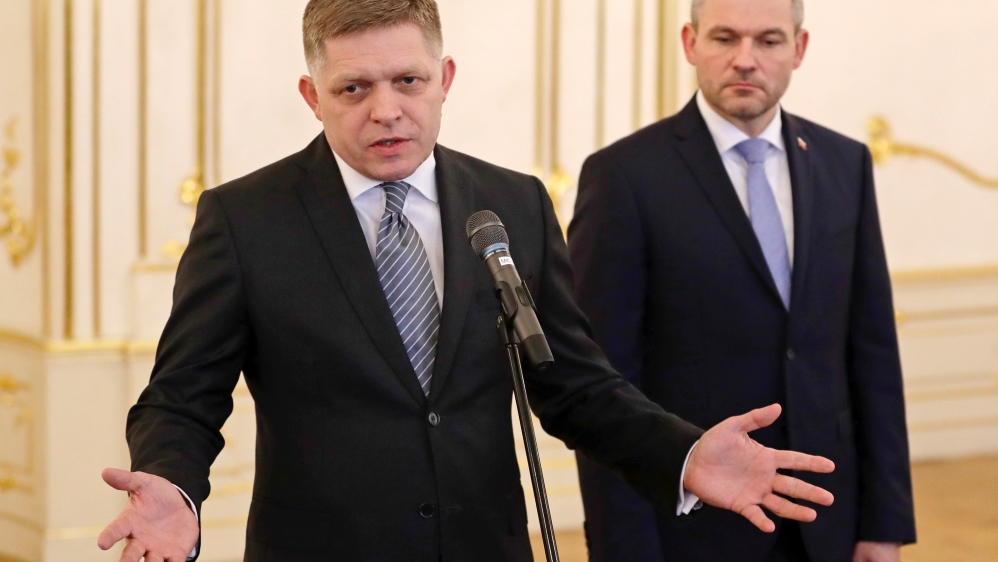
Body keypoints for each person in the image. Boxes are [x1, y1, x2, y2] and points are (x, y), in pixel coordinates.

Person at [96, 1, 836, 561]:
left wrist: (681, 452)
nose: (386, 109)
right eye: (353, 88)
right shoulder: (245, 219)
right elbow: (183, 396)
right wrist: (172, 480)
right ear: (311, 93)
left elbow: (575, 387)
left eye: (407, 80)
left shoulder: (511, 204)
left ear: (444, 80)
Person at [569, 0, 916, 561]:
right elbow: (603, 385)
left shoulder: (844, 164)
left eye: (769, 41)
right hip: (694, 529)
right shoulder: (624, 177)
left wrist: (884, 523)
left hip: (828, 519)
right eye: (725, 38)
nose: (746, 60)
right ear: (690, 43)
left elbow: (872, 355)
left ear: (799, 49)